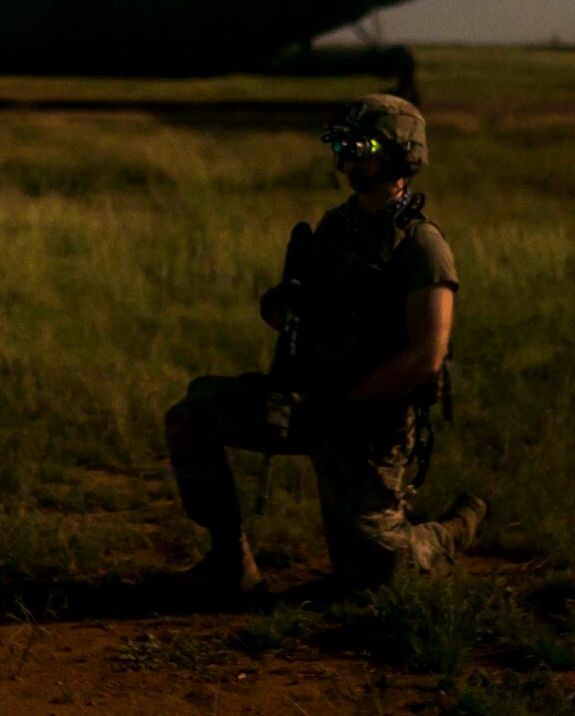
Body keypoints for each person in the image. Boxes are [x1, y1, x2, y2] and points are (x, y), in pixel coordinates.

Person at [164, 93, 485, 596]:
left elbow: (427, 354)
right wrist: (281, 307)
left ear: (401, 154)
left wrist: (345, 404)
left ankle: (447, 532)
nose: (351, 157)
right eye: (345, 144)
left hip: (366, 420)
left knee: (376, 575)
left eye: (365, 146)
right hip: (306, 400)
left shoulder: (421, 245)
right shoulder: (335, 227)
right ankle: (230, 561)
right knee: (193, 414)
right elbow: (303, 310)